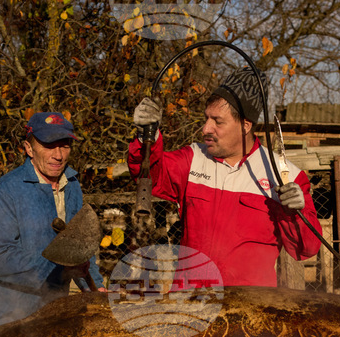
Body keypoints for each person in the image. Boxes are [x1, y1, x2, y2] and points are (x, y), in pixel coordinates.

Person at [128, 67, 321, 287]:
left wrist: (295, 212)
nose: (205, 128)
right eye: (206, 119)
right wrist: (147, 135)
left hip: (251, 309)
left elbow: (306, 249)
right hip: (191, 304)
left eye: (217, 122)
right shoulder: (193, 159)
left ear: (245, 126)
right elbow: (149, 174)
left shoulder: (284, 175)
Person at [0, 111, 103, 327]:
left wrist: (96, 287)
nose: (59, 155)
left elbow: (78, 247)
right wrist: (58, 265)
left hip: (53, 307)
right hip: (12, 311)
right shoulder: (7, 191)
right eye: (48, 145)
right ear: (29, 149)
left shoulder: (71, 185)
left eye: (65, 145)